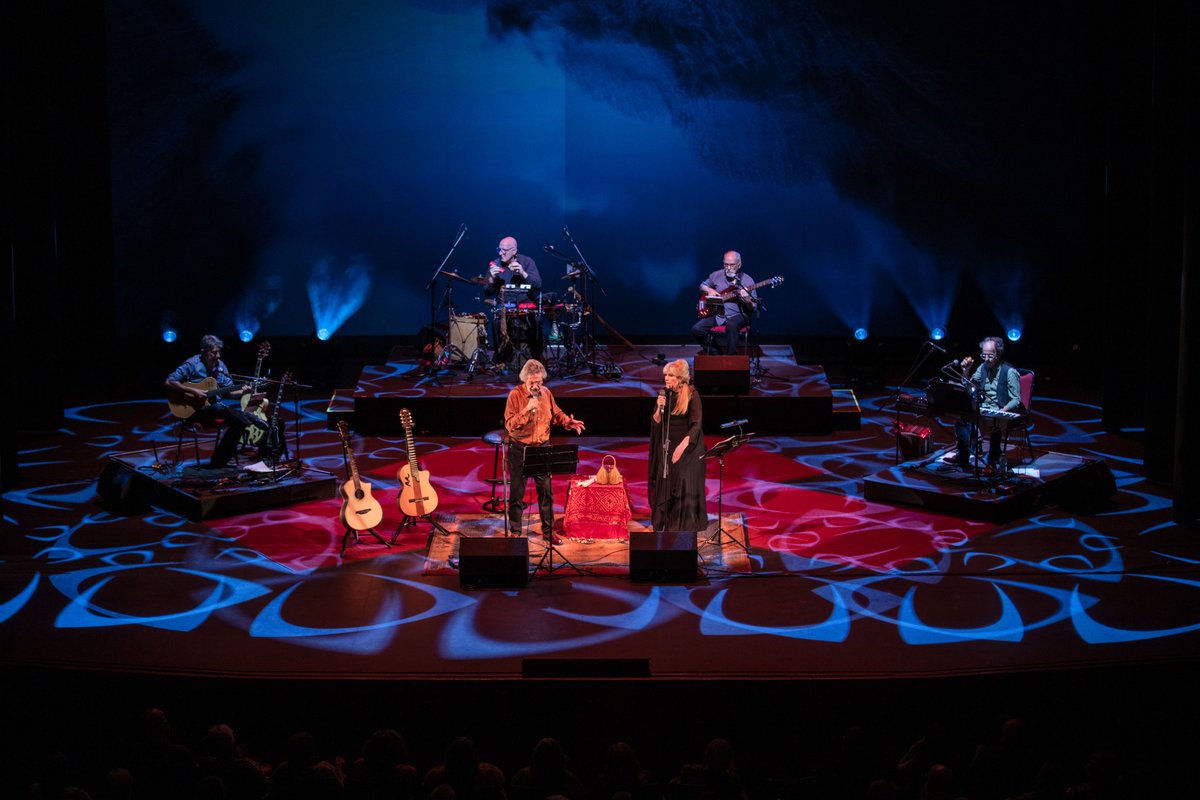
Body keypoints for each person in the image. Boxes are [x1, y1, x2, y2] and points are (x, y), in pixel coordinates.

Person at [504, 359, 586, 543]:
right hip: (520, 448)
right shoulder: (515, 395)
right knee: (517, 492)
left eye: (539, 382)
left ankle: (548, 532)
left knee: (546, 492)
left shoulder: (546, 393)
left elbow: (556, 414)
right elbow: (510, 426)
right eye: (532, 383)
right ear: (525, 380)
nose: (536, 386)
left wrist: (568, 422)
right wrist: (527, 409)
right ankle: (516, 531)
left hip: (542, 448)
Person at [165, 334, 264, 469]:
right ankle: (249, 416)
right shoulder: (192, 364)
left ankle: (219, 461)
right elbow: (169, 382)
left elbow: (230, 392)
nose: (218, 356)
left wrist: (244, 391)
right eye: (214, 352)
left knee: (240, 422)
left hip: (215, 413)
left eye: (219, 352)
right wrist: (194, 391)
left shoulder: (221, 367)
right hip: (193, 413)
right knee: (218, 408)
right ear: (204, 351)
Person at [648, 359, 708, 531]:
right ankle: (664, 519)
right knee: (664, 476)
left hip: (688, 444)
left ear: (680, 378)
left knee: (682, 477)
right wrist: (659, 409)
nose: (667, 378)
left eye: (671, 375)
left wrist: (682, 447)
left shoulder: (691, 394)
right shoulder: (664, 395)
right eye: (665, 375)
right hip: (668, 442)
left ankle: (682, 522)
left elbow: (696, 424)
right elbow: (656, 422)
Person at [953, 336, 1023, 470]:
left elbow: (1016, 400)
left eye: (990, 355)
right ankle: (964, 455)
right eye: (983, 355)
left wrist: (1005, 410)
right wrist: (966, 371)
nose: (986, 359)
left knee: (995, 423)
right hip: (982, 407)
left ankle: (993, 458)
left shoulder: (1009, 372)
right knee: (961, 418)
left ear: (999, 354)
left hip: (1001, 410)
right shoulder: (982, 367)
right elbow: (970, 387)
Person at [484, 235, 544, 366]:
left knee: (538, 321)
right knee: (495, 322)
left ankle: (536, 356)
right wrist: (491, 279)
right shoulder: (495, 264)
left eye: (504, 250)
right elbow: (486, 291)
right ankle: (501, 357)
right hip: (504, 306)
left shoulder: (527, 262)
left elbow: (538, 284)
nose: (501, 253)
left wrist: (523, 272)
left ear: (514, 251)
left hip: (525, 305)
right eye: (499, 250)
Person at [692, 250, 758, 355]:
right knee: (697, 329)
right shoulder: (716, 275)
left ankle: (730, 357)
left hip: (739, 315)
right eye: (726, 265)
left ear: (739, 264)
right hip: (719, 314)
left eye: (732, 265)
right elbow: (702, 286)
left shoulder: (747, 280)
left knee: (731, 325)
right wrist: (709, 290)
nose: (728, 268)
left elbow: (753, 308)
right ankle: (715, 352)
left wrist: (747, 300)